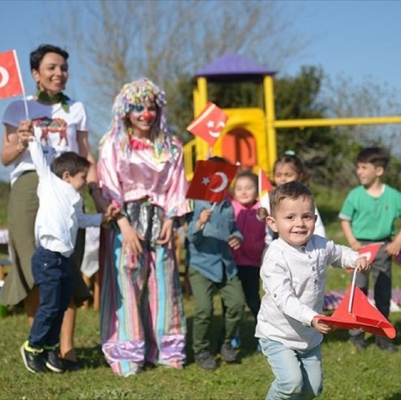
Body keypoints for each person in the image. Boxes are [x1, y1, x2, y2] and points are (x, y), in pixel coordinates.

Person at [0, 44, 105, 371]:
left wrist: (99, 197)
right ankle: (39, 347)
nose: (59, 73)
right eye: (51, 68)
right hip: (30, 184)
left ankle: (66, 350)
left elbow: (86, 156)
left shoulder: (76, 109)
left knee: (67, 267)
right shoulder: (19, 107)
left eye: (63, 68)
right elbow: (4, 157)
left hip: (67, 187)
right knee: (37, 268)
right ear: (35, 73)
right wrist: (19, 138)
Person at [97, 77, 190, 377]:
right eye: (138, 107)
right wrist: (122, 224)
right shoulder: (112, 144)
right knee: (126, 284)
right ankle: (127, 353)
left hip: (161, 219)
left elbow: (177, 185)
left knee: (164, 284)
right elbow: (108, 184)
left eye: (150, 107)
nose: (144, 114)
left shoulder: (172, 146)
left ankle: (167, 350)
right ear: (125, 111)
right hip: (127, 219)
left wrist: (171, 220)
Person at [256, 181, 369, 399]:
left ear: (314, 220)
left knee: (312, 390)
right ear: (273, 222)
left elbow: (339, 254)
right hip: (278, 334)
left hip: (309, 338)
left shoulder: (319, 244)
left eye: (306, 216)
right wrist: (313, 317)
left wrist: (356, 259)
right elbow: (285, 299)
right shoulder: (275, 256)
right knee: (290, 383)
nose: (299, 223)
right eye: (290, 217)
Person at [20, 137, 115, 373]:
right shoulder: (51, 185)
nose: (85, 182)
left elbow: (82, 221)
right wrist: (32, 139)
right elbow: (41, 161)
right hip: (47, 257)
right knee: (50, 305)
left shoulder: (75, 200)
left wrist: (102, 219)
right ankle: (33, 347)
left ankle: (51, 347)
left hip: (63, 259)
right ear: (66, 177)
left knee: (61, 305)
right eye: (83, 178)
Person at [338, 147, 401, 353]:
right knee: (358, 291)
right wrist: (353, 242)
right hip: (360, 250)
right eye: (358, 168)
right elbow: (345, 220)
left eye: (364, 168)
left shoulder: (394, 196)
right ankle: (356, 334)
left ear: (379, 171)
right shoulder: (355, 195)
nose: (359, 172)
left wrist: (397, 241)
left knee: (383, 292)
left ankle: (382, 336)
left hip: (383, 249)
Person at [186, 158, 245, 371]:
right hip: (201, 265)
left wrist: (238, 238)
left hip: (226, 265)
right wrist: (199, 222)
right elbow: (191, 238)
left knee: (237, 303)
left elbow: (234, 229)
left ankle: (226, 343)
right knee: (204, 310)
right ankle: (201, 349)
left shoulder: (228, 204)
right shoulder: (195, 203)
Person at [258, 152, 326, 246]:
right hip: (275, 244)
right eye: (278, 175)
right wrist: (261, 215)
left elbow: (316, 222)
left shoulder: (304, 198)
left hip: (301, 244)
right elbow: (262, 218)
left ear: (300, 176)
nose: (283, 179)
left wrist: (321, 244)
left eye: (288, 175)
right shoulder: (268, 197)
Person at [230, 171, 266, 342]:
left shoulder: (261, 210)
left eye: (249, 188)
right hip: (232, 262)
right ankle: (231, 333)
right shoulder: (230, 207)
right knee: (231, 302)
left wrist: (263, 217)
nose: (243, 192)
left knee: (252, 299)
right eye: (239, 188)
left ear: (257, 190)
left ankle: (264, 333)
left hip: (251, 263)